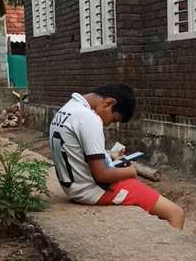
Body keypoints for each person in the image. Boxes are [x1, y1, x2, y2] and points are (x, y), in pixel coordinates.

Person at [49, 84, 184, 229]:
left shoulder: (66, 110)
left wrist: (109, 156)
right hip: (93, 191)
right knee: (176, 213)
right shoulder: (90, 119)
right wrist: (131, 171)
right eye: (114, 119)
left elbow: (76, 151)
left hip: (73, 186)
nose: (108, 124)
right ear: (109, 103)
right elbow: (101, 175)